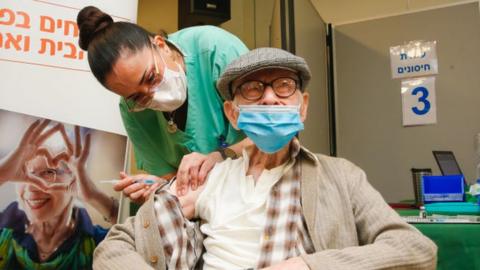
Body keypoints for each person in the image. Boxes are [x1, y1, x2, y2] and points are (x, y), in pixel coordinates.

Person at [93, 48, 438, 270]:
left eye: (284, 86)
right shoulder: (209, 179)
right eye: (253, 90)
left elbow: (415, 249)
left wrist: (306, 267)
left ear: (302, 106)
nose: (270, 99)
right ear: (232, 113)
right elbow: (113, 248)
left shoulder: (341, 177)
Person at [77, 6, 250, 202]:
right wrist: (160, 187)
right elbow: (174, 183)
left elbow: (273, 134)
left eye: (151, 77)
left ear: (161, 45)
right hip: (204, 209)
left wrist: (222, 156)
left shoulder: (216, 51)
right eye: (137, 97)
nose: (153, 95)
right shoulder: (132, 110)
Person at [0, 120, 118, 269]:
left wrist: (94, 196)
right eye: (24, 172)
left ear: (74, 176)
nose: (31, 187)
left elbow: (143, 240)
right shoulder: (2, 229)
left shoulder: (100, 244)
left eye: (49, 172)